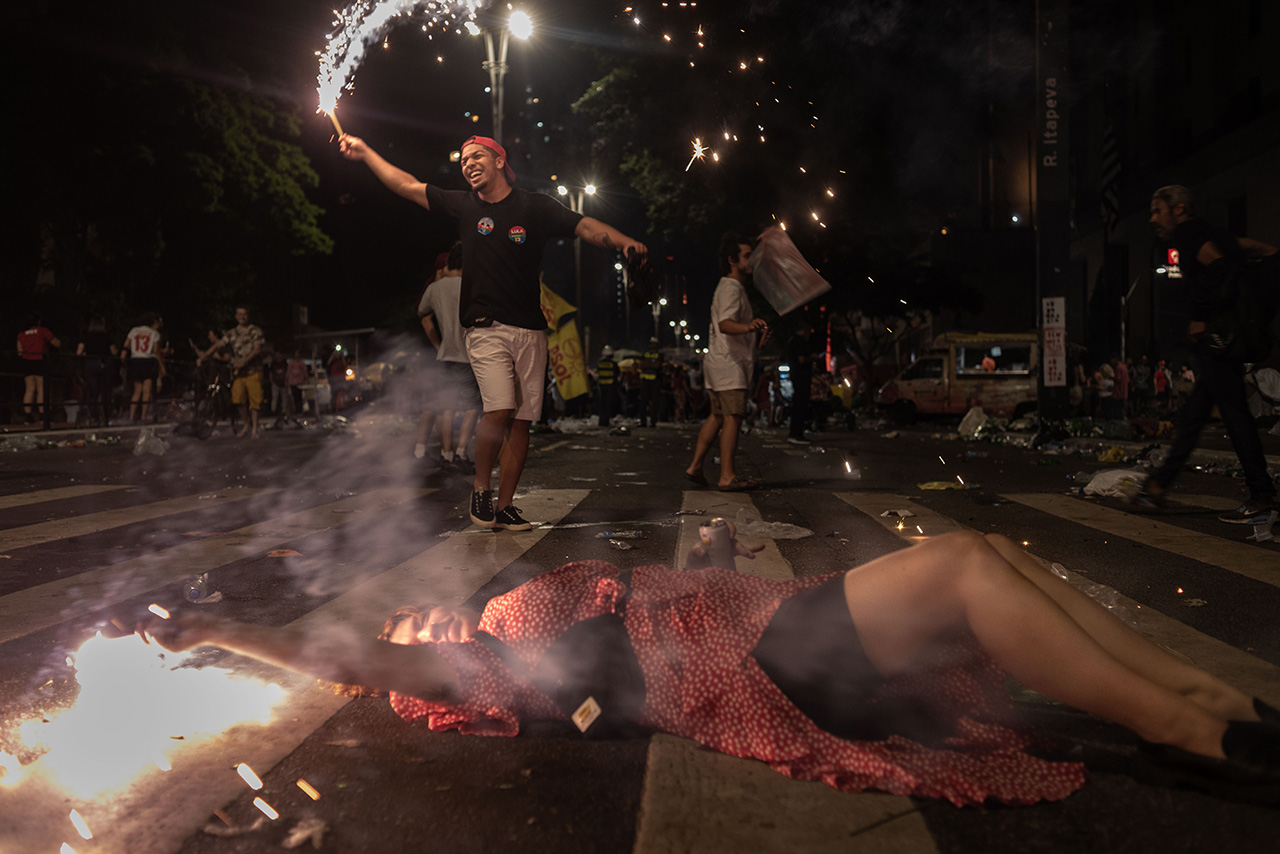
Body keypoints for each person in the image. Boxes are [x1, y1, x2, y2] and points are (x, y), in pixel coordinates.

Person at [136, 529, 1280, 807]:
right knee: (969, 567)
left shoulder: (526, 612)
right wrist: (221, 634)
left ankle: (1208, 698)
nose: (415, 611)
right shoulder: (481, 659)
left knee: (991, 556)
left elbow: (657, 600)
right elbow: (341, 651)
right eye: (408, 630)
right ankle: (1185, 726)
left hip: (777, 625)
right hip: (778, 663)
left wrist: (704, 563)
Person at [340, 133, 647, 531]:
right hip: (485, 329)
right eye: (464, 159)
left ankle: (505, 506)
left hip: (531, 330)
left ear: (500, 160)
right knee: (499, 409)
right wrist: (366, 152)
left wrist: (625, 244)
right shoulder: (464, 206)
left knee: (521, 422)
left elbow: (584, 225)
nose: (468, 163)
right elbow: (407, 186)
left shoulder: (535, 207)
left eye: (477, 156)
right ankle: (481, 488)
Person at [1137, 185, 1279, 523]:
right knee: (1197, 415)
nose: (1153, 219)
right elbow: (1256, 248)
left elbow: (1217, 266)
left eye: (1158, 210)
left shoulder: (1187, 233)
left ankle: (1262, 496)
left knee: (1233, 414)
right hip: (1223, 339)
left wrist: (1200, 316)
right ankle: (1157, 486)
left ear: (1180, 208)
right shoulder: (1211, 232)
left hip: (1216, 339)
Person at [685, 232, 770, 490]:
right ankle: (727, 476)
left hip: (720, 362)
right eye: (747, 255)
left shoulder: (729, 287)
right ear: (733, 260)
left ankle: (696, 466)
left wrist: (754, 333)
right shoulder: (732, 288)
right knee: (733, 416)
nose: (752, 260)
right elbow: (725, 324)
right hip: (728, 364)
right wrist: (748, 327)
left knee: (718, 416)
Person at [417, 242, 479, 472]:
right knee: (473, 407)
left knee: (446, 407)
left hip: (445, 356)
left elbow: (422, 313)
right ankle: (461, 452)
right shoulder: (471, 286)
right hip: (468, 355)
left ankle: (446, 454)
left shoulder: (435, 288)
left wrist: (437, 343)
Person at [202, 307, 265, 439]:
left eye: (245, 314)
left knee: (255, 401)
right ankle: (246, 424)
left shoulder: (255, 331)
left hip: (253, 371)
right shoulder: (232, 333)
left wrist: (244, 361)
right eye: (240, 314)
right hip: (239, 373)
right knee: (238, 399)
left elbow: (257, 349)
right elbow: (218, 344)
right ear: (236, 316)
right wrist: (202, 357)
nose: (242, 317)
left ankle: (254, 429)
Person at [16, 312, 61, 425]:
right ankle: (43, 415)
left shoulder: (21, 334)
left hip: (27, 362)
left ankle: (27, 416)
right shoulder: (42, 331)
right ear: (38, 321)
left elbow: (19, 351)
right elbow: (56, 343)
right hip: (40, 360)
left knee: (30, 388)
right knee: (41, 388)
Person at [76, 316, 115, 427]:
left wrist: (85, 355)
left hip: (91, 363)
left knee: (93, 392)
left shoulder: (86, 336)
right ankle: (107, 417)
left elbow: (79, 352)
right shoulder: (106, 336)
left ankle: (94, 417)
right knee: (106, 392)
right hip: (105, 363)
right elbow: (113, 351)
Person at [122, 312, 162, 424]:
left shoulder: (134, 331)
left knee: (136, 390)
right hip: (147, 360)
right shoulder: (154, 333)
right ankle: (143, 416)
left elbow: (127, 345)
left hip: (135, 360)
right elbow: (155, 351)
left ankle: (131, 416)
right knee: (146, 390)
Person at [786, 319, 816, 444]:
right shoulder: (799, 342)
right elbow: (802, 359)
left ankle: (795, 433)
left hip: (797, 375)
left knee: (798, 403)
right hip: (801, 376)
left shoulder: (792, 341)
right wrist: (812, 358)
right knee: (800, 404)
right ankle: (796, 433)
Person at [638, 337, 663, 428]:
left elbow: (656, 366)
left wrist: (648, 364)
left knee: (654, 403)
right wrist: (651, 364)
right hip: (645, 381)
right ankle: (643, 422)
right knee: (643, 402)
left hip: (655, 381)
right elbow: (642, 365)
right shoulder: (646, 354)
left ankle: (653, 422)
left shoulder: (659, 355)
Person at [594, 345, 619, 428]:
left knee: (602, 405)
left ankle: (601, 422)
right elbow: (617, 376)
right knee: (608, 405)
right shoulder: (614, 364)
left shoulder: (599, 363)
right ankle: (606, 422)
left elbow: (598, 375)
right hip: (610, 386)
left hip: (601, 386)